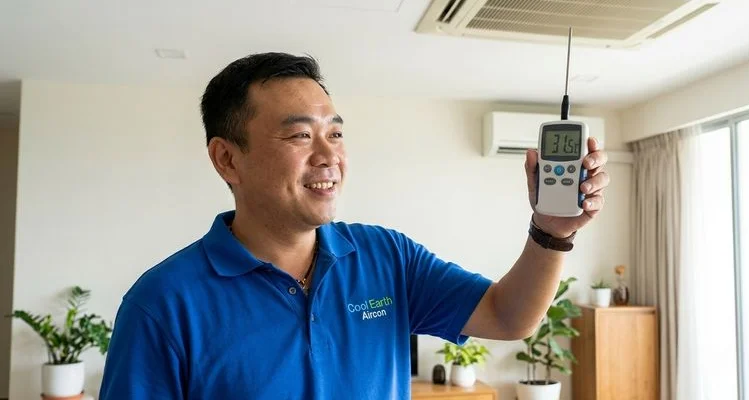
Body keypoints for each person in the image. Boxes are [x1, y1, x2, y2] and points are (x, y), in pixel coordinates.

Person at [98, 52, 609, 399]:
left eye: (335, 133)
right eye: (300, 136)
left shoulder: (386, 257)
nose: (329, 157)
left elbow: (507, 316)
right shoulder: (162, 304)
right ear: (227, 159)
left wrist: (552, 228)